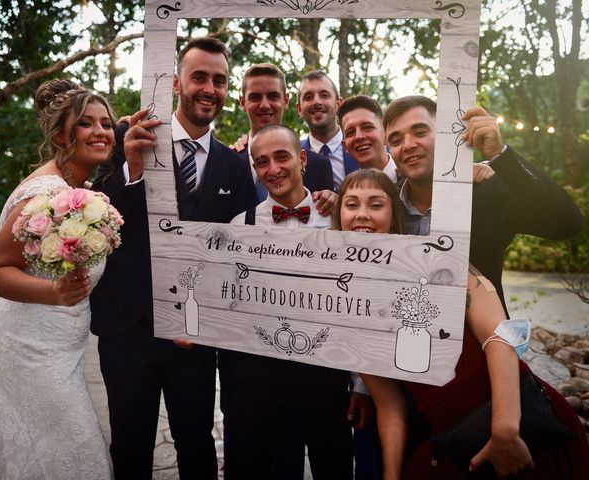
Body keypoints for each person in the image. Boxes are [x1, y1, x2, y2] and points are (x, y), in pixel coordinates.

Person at [333, 169, 589, 480]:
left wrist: (504, 430)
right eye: (351, 204)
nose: (363, 215)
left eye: (376, 204)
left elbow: (501, 336)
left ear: (393, 214)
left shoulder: (438, 263)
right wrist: (390, 475)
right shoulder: (349, 307)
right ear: (339, 216)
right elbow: (390, 407)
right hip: (451, 436)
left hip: (521, 420)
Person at [89, 37, 256, 479]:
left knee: (197, 442)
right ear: (178, 82)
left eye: (219, 81)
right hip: (129, 327)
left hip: (195, 337)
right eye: (199, 77)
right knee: (130, 444)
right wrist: (131, 169)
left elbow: (236, 252)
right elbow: (96, 218)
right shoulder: (130, 135)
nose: (209, 88)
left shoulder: (235, 165)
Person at [0, 79, 114, 478]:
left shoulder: (81, 191)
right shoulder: (44, 194)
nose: (101, 131)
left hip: (63, 346)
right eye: (86, 123)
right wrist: (54, 292)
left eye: (107, 124)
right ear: (62, 133)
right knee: (70, 442)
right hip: (29, 345)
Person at [219, 124, 354, 480]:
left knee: (334, 464)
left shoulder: (339, 220)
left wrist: (361, 384)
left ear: (303, 159)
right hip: (261, 377)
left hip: (326, 373)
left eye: (282, 157)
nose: (273, 169)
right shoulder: (240, 224)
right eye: (262, 162)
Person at [383, 96, 582, 311]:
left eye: (420, 132)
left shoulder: (489, 192)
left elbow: (566, 222)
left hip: (480, 342)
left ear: (446, 136)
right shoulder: (384, 206)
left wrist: (500, 155)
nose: (408, 145)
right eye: (395, 141)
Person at [236, 63, 334, 203]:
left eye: (273, 96)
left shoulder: (318, 165)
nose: (264, 105)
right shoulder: (229, 162)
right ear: (243, 103)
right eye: (255, 97)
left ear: (286, 100)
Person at [296, 70, 359, 190]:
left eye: (324, 95)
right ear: (299, 109)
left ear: (338, 104)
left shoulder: (362, 147)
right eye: (308, 97)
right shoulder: (293, 155)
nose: (317, 102)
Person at [337, 94, 398, 183]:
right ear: (345, 146)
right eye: (351, 132)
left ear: (386, 134)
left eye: (367, 127)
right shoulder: (346, 193)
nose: (358, 136)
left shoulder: (412, 181)